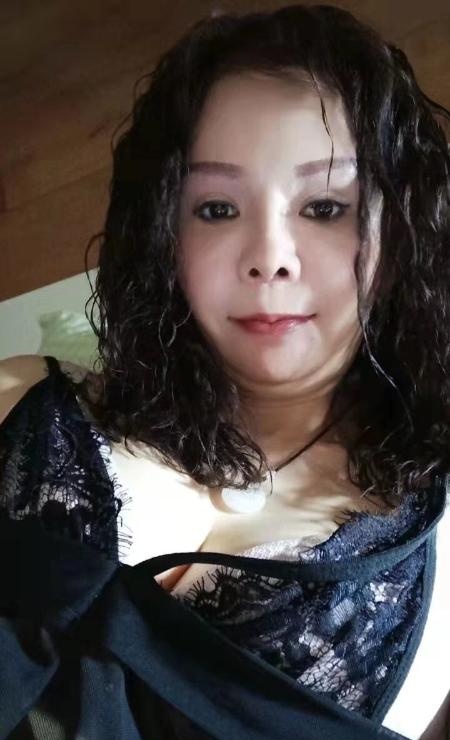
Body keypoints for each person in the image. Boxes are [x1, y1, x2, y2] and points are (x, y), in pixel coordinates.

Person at [0, 4, 449, 739]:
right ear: (163, 237)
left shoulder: (440, 540)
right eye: (215, 208)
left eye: (325, 206)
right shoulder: (19, 397)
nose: (269, 256)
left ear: (399, 236)